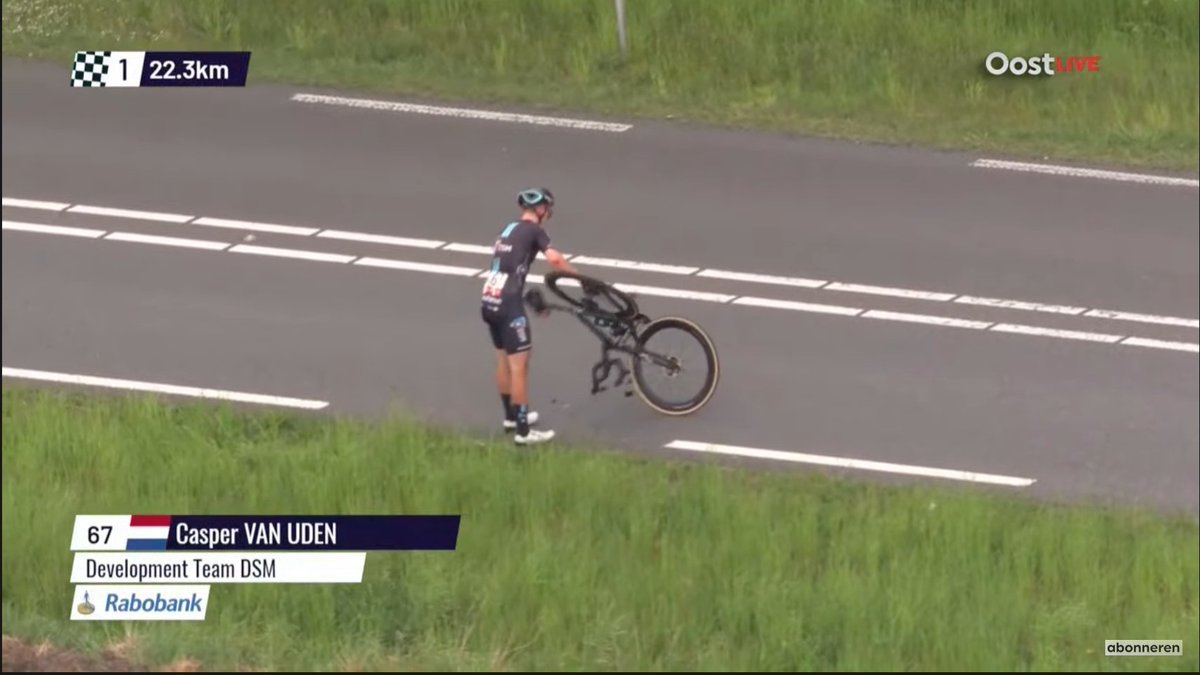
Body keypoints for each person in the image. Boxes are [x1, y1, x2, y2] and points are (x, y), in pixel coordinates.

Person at [480, 187, 577, 444]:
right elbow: (555, 260)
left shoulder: (508, 229)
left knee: (503, 359)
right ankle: (523, 432)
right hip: (509, 304)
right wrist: (579, 278)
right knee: (519, 367)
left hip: (490, 298)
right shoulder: (535, 231)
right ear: (542, 209)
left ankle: (511, 417)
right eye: (549, 209)